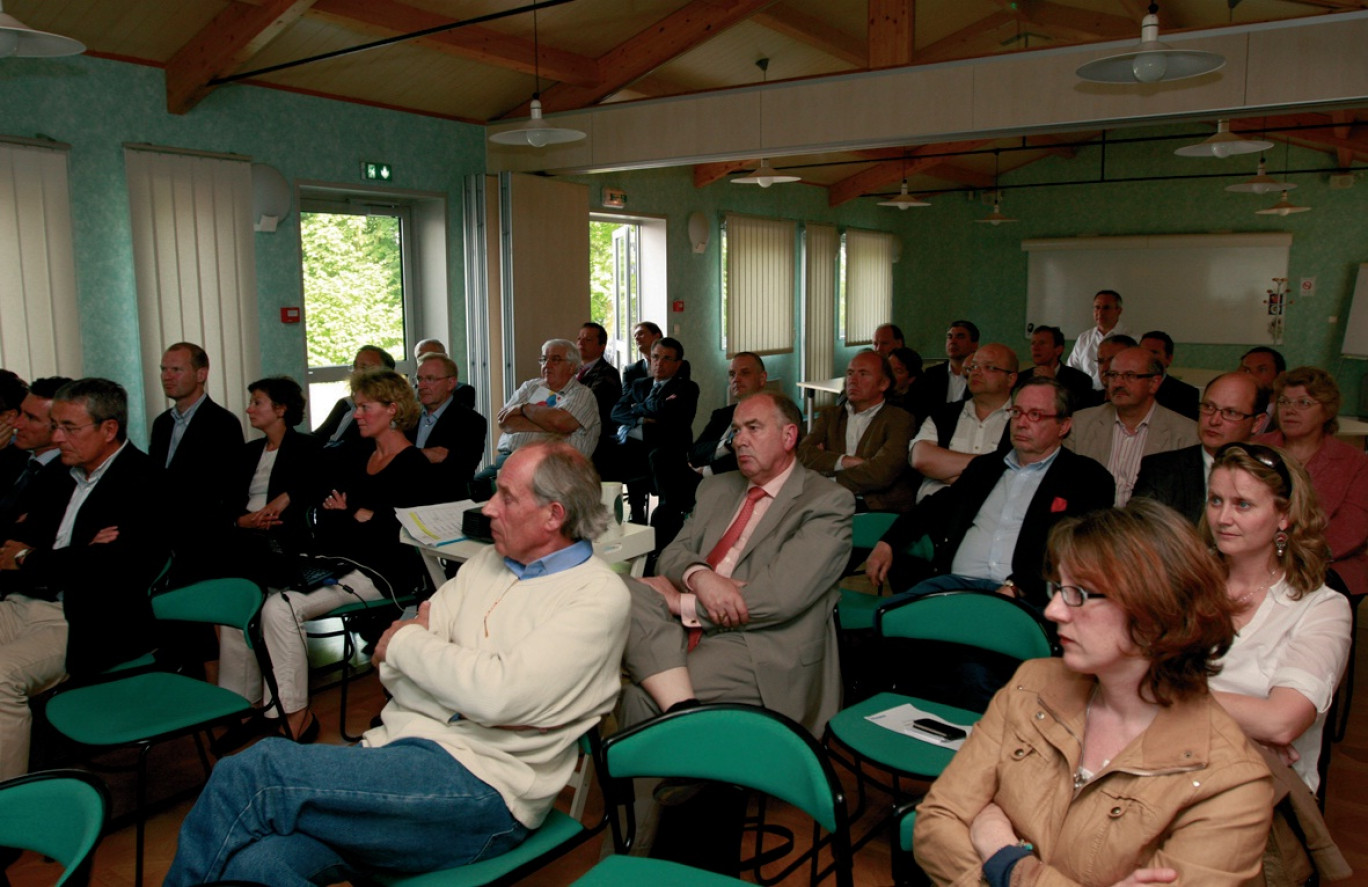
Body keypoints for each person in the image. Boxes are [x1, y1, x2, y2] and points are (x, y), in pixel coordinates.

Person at [164, 442, 631, 887]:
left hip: (486, 794)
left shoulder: (596, 596)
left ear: (554, 515)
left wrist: (416, 648)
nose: (488, 508)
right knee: (257, 863)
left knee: (251, 772)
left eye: (506, 497)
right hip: (398, 757)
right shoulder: (485, 563)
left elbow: (496, 696)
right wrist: (441, 668)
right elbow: (387, 666)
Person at [914, 499, 1274, 886]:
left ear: (1154, 611)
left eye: (1080, 594)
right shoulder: (1032, 684)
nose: (1053, 611)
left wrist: (1005, 859)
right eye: (1058, 588)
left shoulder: (1230, 783)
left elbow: (966, 841)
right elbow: (936, 823)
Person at [222, 369, 440, 742]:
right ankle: (283, 711)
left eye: (364, 407)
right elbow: (327, 522)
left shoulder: (413, 466)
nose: (356, 414)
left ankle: (296, 717)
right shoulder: (360, 459)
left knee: (280, 607)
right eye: (356, 406)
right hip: (342, 564)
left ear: (392, 409)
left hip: (383, 574)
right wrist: (356, 518)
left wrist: (353, 517)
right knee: (268, 601)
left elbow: (397, 537)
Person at [620, 392, 853, 736]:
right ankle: (691, 766)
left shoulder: (827, 502)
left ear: (789, 436)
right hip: (688, 623)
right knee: (615, 586)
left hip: (760, 642)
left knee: (640, 695)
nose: (738, 440)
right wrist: (700, 577)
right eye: (736, 430)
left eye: (753, 429)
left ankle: (673, 782)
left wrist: (681, 601)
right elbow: (671, 555)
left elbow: (777, 599)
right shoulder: (716, 488)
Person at [0, 379, 167, 780]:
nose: (56, 437)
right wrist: (68, 554)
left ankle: (10, 815)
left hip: (85, 620)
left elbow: (110, 570)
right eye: (54, 425)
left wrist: (30, 558)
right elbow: (10, 540)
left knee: (0, 678)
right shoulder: (58, 475)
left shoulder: (146, 482)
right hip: (23, 601)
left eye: (69, 428)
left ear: (109, 429)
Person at [866, 378, 1114, 604]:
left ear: (1064, 426)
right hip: (957, 583)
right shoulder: (986, 467)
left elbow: (1077, 553)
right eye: (1016, 412)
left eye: (1036, 415)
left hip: (1025, 595)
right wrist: (888, 542)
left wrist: (1018, 587)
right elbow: (935, 506)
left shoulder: (1087, 477)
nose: (1022, 423)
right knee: (892, 617)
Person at [1202, 442, 1351, 793]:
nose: (1223, 519)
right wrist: (1249, 729)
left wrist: (1166, 695)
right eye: (1215, 500)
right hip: (1171, 773)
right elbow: (1123, 683)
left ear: (1284, 515)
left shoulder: (1322, 608)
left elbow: (1281, 723)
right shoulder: (1185, 585)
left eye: (1243, 504)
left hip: (1266, 795)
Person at [1256, 366, 1368, 598]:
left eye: (1303, 403)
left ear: (1326, 411)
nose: (1290, 410)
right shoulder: (1256, 449)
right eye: (1284, 402)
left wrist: (1295, 558)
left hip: (1330, 563)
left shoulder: (1354, 461)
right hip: (1257, 555)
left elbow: (1354, 527)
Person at [149, 342, 245, 583]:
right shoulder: (162, 424)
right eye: (163, 369)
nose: (166, 377)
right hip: (162, 535)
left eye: (176, 370)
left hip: (204, 539)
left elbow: (229, 488)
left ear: (201, 374)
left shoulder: (222, 423)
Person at [1066, 346, 1197, 506]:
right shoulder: (1081, 423)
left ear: (1154, 383)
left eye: (1129, 376)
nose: (1118, 383)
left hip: (1148, 527)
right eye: (1113, 375)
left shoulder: (1186, 434)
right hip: (1090, 524)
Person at [226, 377, 324, 585]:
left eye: (257, 403)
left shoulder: (307, 448)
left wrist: (288, 497)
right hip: (243, 533)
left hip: (280, 540)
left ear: (280, 410)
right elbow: (229, 499)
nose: (249, 410)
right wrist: (242, 521)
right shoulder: (247, 452)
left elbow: (318, 484)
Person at [1133, 372, 1268, 523]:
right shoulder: (1161, 470)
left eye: (1231, 412)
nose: (1214, 420)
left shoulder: (1270, 474)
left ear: (1257, 423)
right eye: (1208, 407)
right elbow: (1138, 536)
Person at [798, 350, 917, 512]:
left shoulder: (900, 420)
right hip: (830, 502)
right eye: (850, 373)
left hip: (877, 508)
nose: (853, 380)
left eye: (863, 374)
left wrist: (829, 476)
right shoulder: (830, 416)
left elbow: (881, 473)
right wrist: (845, 461)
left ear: (883, 384)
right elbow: (803, 454)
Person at [611, 337, 699, 544]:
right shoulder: (640, 384)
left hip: (669, 448)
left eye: (667, 359)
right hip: (639, 448)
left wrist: (636, 409)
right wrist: (643, 417)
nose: (659, 363)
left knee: (652, 454)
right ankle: (633, 519)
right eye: (656, 357)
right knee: (613, 448)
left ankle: (663, 527)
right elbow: (616, 412)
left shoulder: (686, 387)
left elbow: (668, 414)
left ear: (678, 364)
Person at [910, 342, 1017, 501]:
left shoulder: (1021, 421)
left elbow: (1015, 477)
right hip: (932, 512)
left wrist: (947, 471)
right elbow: (921, 459)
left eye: (989, 367)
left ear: (1011, 378)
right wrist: (990, 467)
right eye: (973, 367)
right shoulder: (943, 414)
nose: (976, 372)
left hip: (989, 518)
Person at [491, 339, 600, 466]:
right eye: (544, 359)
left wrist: (524, 409)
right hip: (510, 459)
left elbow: (559, 422)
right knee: (478, 483)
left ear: (571, 367)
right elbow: (505, 421)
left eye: (555, 359)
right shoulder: (530, 387)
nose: (547, 365)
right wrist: (551, 427)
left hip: (557, 468)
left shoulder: (582, 394)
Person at [0, 377, 72, 536]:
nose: (17, 424)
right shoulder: (10, 456)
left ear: (61, 425)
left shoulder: (71, 475)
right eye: (21, 413)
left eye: (31, 418)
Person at [410, 353, 487, 500]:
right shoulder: (407, 417)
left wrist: (407, 456)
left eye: (430, 379)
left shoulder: (471, 422)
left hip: (442, 504)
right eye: (419, 379)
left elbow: (458, 472)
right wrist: (426, 455)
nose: (422, 386)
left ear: (451, 383)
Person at [688, 352, 767, 479]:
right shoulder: (722, 414)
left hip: (737, 483)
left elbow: (756, 458)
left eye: (745, 373)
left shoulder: (773, 415)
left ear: (762, 378)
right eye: (732, 374)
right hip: (702, 479)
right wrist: (727, 444)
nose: (736, 379)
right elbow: (695, 452)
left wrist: (707, 471)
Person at [314, 346, 396, 447]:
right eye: (355, 366)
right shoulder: (345, 404)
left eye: (364, 367)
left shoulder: (388, 412)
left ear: (386, 374)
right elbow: (317, 437)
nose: (356, 372)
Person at [575, 322, 623, 478]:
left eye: (588, 340)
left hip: (597, 436)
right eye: (579, 338)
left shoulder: (608, 373)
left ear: (602, 346)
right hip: (573, 430)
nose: (581, 343)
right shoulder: (572, 371)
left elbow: (586, 402)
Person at [909, 320, 979, 419]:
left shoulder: (980, 376)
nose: (953, 342)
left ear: (974, 344)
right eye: (949, 337)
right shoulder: (931, 374)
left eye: (960, 337)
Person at [1015, 325, 1092, 409]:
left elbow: (1076, 409)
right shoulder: (1021, 379)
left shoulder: (1080, 380)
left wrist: (1054, 383)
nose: (1035, 348)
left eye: (1042, 343)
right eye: (1033, 343)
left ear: (1058, 350)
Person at [1066, 289, 1127, 389]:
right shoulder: (1084, 338)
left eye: (1106, 308)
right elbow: (1071, 371)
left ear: (1119, 310)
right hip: (1088, 396)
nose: (1100, 312)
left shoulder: (1130, 338)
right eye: (1097, 307)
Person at [1139, 330, 1200, 420]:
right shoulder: (1130, 387)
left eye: (1154, 352)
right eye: (1142, 352)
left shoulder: (1186, 394)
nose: (1147, 357)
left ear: (1169, 359)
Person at [1240, 346, 1286, 432]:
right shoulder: (1231, 410)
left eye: (1262, 370)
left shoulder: (1286, 415)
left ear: (1280, 377)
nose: (1252, 376)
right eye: (1246, 370)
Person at [884, 346, 923, 416]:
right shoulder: (879, 396)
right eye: (888, 368)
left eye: (898, 371)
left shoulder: (912, 408)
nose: (890, 374)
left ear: (911, 379)